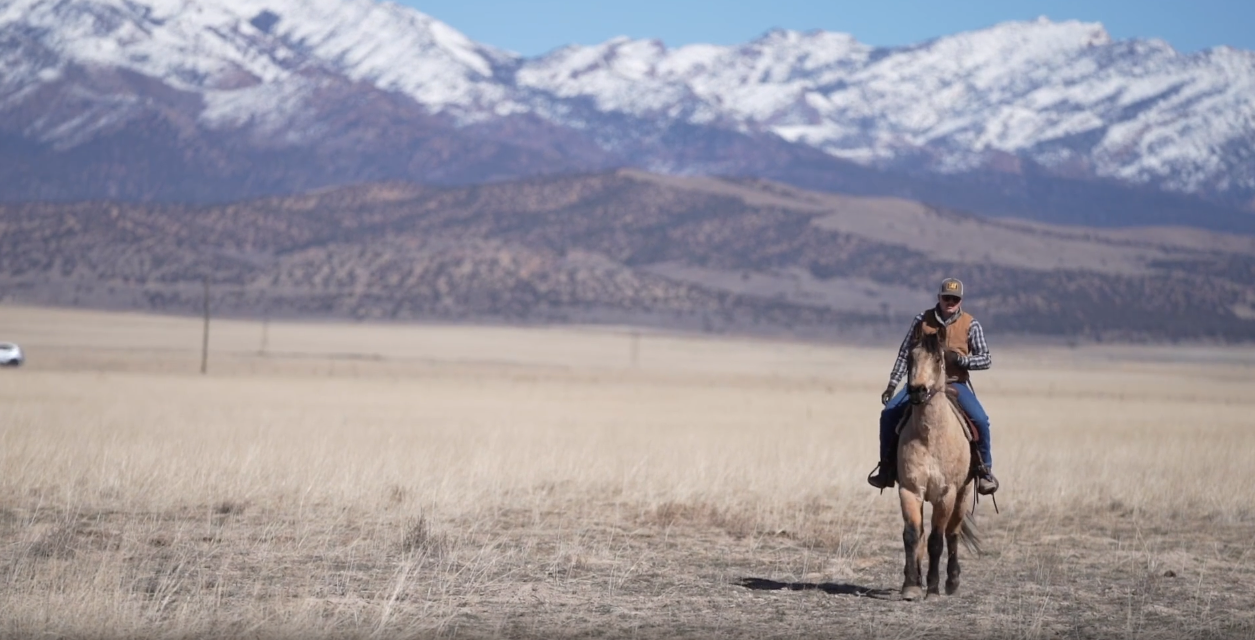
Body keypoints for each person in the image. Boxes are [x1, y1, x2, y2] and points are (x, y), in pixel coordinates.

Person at [867, 278, 999, 495]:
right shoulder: (922, 320)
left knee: (981, 421)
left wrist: (962, 361)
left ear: (960, 301)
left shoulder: (970, 324)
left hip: (954, 383)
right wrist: (892, 384)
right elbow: (904, 354)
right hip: (920, 383)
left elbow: (986, 359)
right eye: (946, 297)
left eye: (955, 299)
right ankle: (886, 468)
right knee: (889, 414)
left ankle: (984, 471)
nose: (950, 302)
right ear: (939, 297)